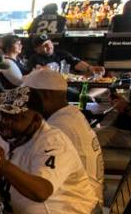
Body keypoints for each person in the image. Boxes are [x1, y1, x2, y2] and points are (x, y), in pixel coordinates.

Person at [0, 86, 103, 214]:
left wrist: (1, 164)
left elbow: (41, 192)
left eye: (15, 118)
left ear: (36, 119)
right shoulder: (8, 135)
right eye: (2, 115)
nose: (5, 123)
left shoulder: (52, 143)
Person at [24, 69, 104, 204]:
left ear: (45, 95)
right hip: (85, 195)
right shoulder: (70, 114)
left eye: (27, 95)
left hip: (77, 205)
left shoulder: (59, 126)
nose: (25, 101)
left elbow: (37, 183)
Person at [27, 34, 101, 77]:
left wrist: (90, 68)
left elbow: (75, 62)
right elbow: (32, 76)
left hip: (65, 84)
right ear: (37, 49)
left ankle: (90, 96)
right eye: (44, 45)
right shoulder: (34, 59)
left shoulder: (61, 53)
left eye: (49, 43)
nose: (49, 46)